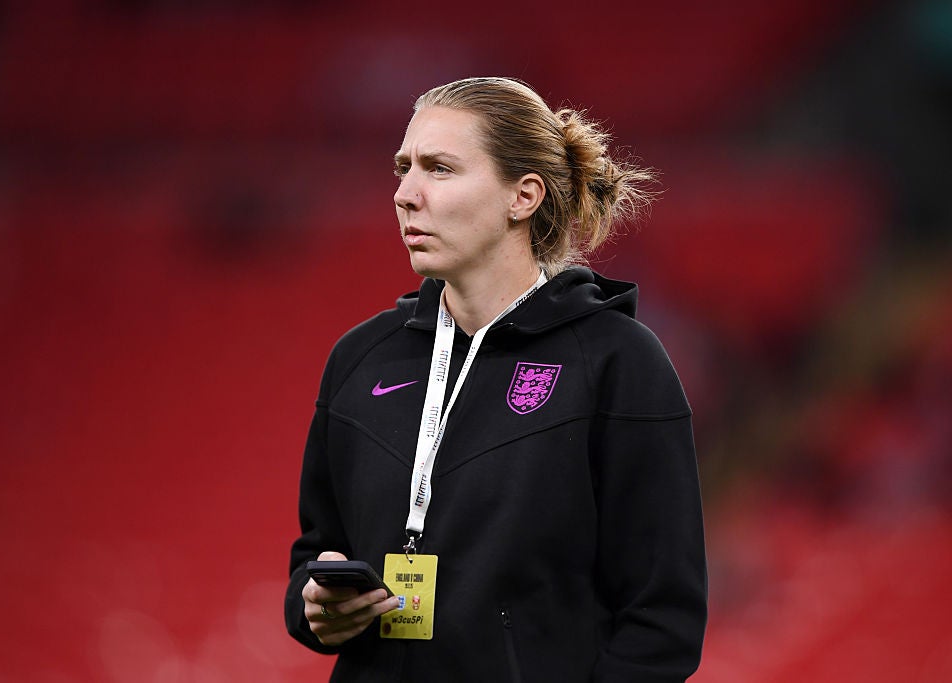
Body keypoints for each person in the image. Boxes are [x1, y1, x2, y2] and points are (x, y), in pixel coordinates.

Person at [284, 76, 707, 682]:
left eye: (440, 169)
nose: (405, 194)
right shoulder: (361, 358)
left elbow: (661, 622)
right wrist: (316, 605)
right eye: (403, 168)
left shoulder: (616, 362)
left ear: (523, 196)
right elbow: (316, 552)